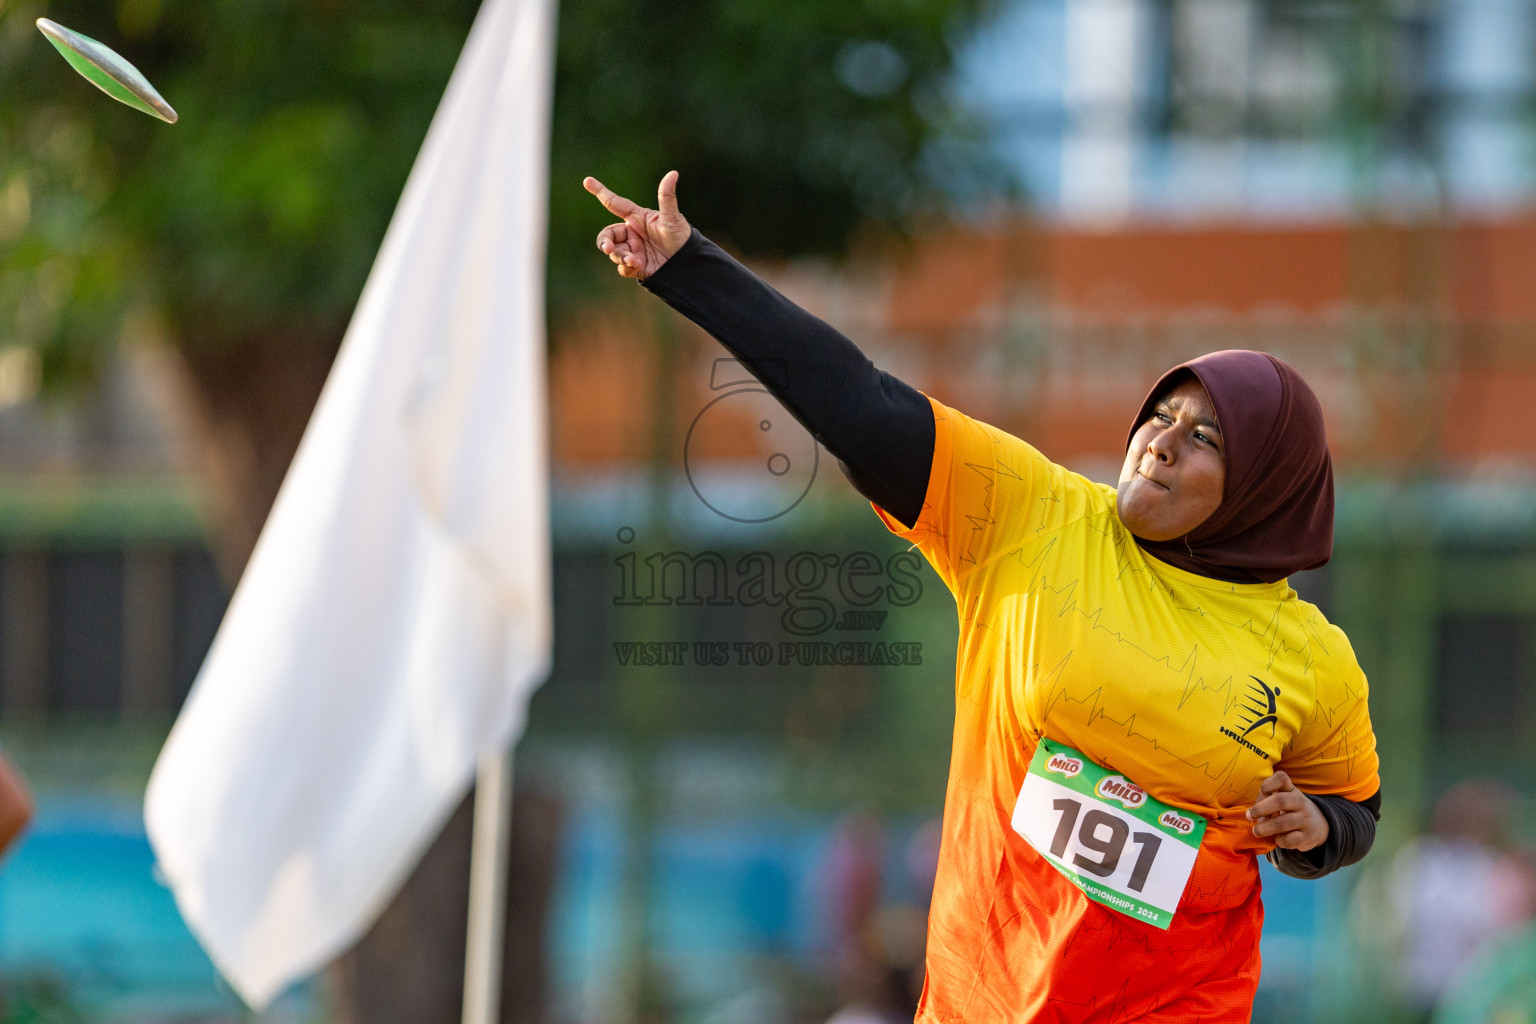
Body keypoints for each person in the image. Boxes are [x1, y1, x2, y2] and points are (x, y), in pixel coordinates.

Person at [583, 172, 1382, 1022]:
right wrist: (691, 269)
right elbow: (856, 401)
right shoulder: (1032, 514)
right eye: (1160, 415)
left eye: (1206, 436)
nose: (1161, 444)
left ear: (1266, 485)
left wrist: (1318, 828)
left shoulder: (1312, 658)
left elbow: (1356, 810)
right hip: (985, 999)